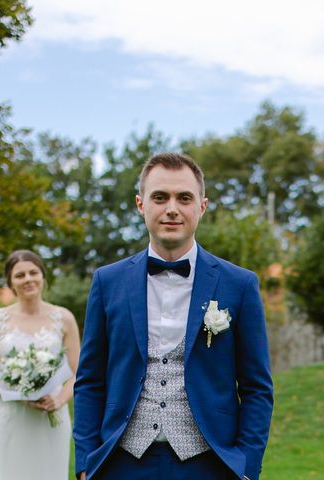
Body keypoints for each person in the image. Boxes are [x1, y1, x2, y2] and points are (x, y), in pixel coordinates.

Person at [73, 153, 273, 480]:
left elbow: (257, 387)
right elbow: (90, 380)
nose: (171, 208)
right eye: (160, 197)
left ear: (202, 206)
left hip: (209, 463)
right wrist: (85, 464)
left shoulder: (239, 284)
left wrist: (246, 467)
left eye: (184, 198)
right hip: (120, 462)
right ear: (141, 204)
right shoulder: (107, 282)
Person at [0, 249, 80, 480]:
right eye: (20, 275)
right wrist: (16, 392)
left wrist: (59, 399)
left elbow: (79, 373)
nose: (28, 279)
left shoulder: (64, 318)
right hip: (10, 417)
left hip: (51, 417)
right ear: (10, 283)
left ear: (43, 276)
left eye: (33, 272)